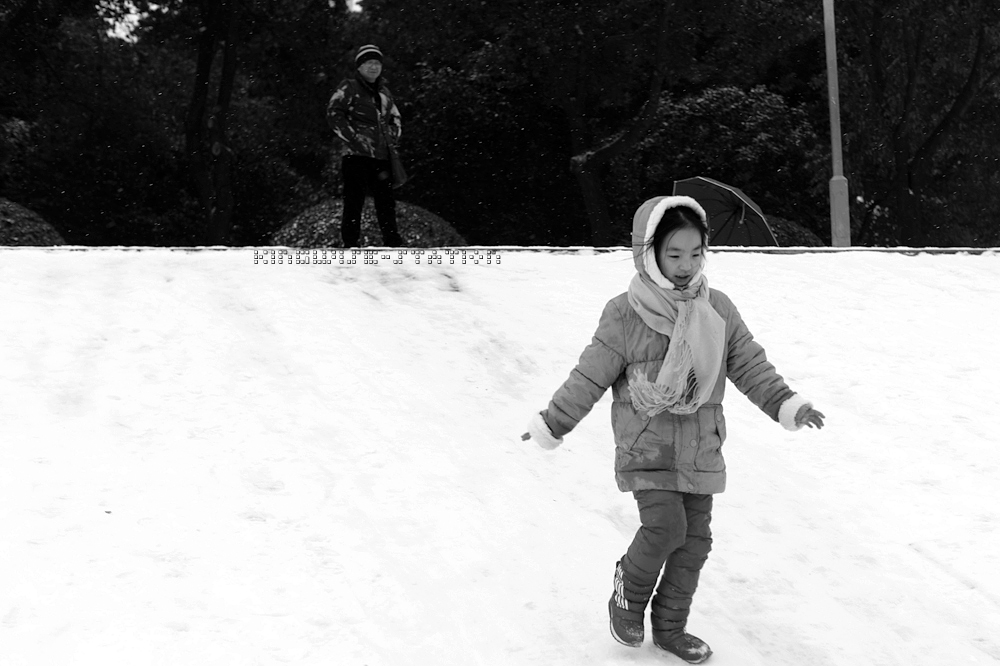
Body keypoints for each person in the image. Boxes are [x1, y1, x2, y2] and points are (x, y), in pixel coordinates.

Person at [523, 195, 825, 664]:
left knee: (695, 543)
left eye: (695, 253)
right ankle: (627, 596)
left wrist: (787, 403)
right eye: (674, 254)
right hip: (647, 445)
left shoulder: (718, 309)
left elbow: (749, 364)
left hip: (702, 446)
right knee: (665, 527)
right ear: (649, 255)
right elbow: (589, 375)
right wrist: (553, 421)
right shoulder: (625, 313)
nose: (686, 266)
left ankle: (670, 628)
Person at [326, 44, 403, 248]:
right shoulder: (348, 87)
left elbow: (395, 117)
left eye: (377, 63)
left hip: (382, 155)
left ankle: (393, 242)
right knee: (354, 200)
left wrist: (393, 136)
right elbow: (333, 113)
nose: (373, 67)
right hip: (355, 154)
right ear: (359, 67)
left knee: (386, 201)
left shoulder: (384, 92)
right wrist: (354, 138)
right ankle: (350, 243)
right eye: (368, 63)